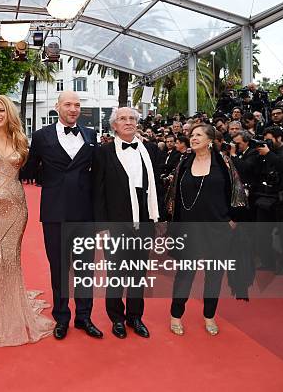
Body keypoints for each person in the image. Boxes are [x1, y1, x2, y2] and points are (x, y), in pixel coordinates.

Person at [0, 95, 55, 347]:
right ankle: (0, 316)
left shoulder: (20, 139)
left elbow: (30, 171)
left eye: (1, 110)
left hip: (17, 208)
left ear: (9, 113)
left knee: (10, 259)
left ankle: (13, 309)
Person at [24, 91, 103, 340]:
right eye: (68, 104)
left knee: (84, 267)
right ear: (57, 107)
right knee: (59, 268)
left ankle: (84, 317)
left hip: (84, 213)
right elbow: (29, 169)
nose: (73, 109)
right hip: (54, 212)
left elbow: (98, 173)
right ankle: (61, 317)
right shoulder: (40, 136)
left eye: (77, 105)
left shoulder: (91, 135)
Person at [166, 123, 247, 336]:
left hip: (218, 229)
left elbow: (238, 191)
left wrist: (232, 220)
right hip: (189, 229)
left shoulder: (224, 163)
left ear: (210, 140)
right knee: (185, 273)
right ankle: (175, 315)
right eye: (192, 135)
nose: (193, 138)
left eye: (198, 135)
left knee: (214, 274)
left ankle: (209, 316)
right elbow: (172, 194)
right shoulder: (183, 163)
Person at [93, 107, 161, 340]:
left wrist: (157, 217)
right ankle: (116, 318)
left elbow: (156, 188)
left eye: (132, 118)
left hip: (144, 219)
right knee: (116, 273)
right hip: (116, 221)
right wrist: (101, 226)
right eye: (123, 119)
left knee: (138, 272)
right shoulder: (104, 152)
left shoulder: (150, 150)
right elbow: (98, 191)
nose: (128, 122)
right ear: (114, 125)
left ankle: (135, 316)